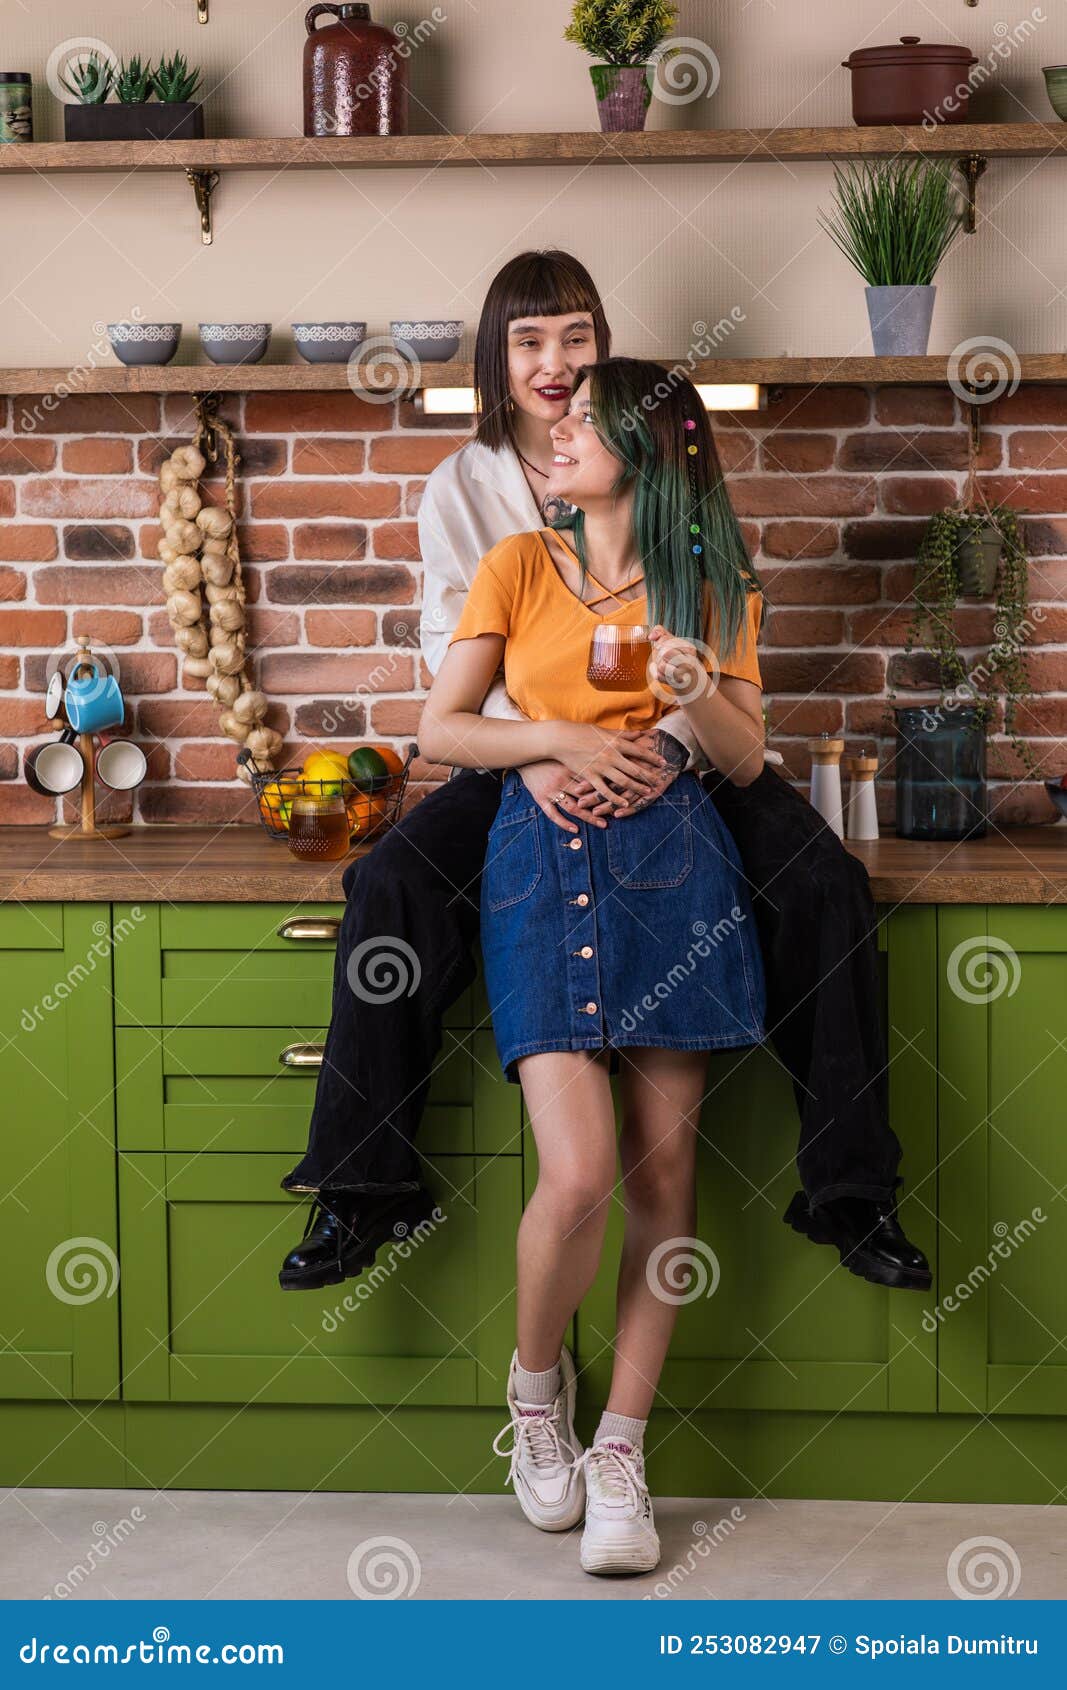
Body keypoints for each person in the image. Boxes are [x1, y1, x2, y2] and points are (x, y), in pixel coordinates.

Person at [278, 249, 930, 1297]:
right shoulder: (463, 491)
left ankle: (851, 1190)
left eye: (574, 339)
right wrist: (547, 752)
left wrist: (662, 750)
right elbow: (454, 679)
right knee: (390, 885)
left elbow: (716, 696)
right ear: (495, 361)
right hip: (514, 750)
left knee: (822, 885)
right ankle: (361, 1187)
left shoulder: (662, 479)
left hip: (675, 751)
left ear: (601, 352)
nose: (552, 362)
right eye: (528, 342)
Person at [419, 355, 767, 1574]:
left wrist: (687, 696)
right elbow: (439, 727)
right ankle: (533, 1392)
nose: (555, 430)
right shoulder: (518, 563)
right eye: (554, 417)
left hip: (674, 877)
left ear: (651, 447)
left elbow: (741, 756)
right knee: (576, 1174)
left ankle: (620, 1447)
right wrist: (556, 738)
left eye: (581, 420)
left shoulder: (710, 578)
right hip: (540, 867)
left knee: (662, 1178)